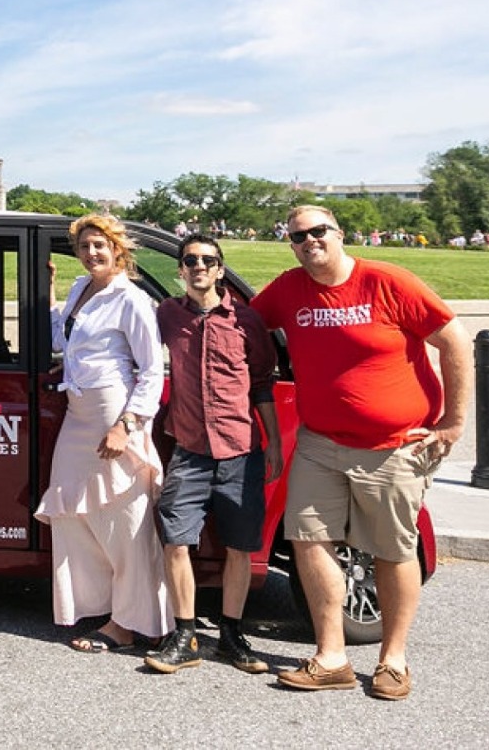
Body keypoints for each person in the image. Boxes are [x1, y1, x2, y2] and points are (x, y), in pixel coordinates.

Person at [251, 206, 472, 699]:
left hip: (392, 448)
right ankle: (332, 658)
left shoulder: (387, 282)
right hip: (319, 443)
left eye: (318, 231)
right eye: (298, 236)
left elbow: (454, 341)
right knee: (309, 540)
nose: (309, 241)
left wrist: (453, 423)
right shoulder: (288, 289)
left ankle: (393, 659)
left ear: (339, 234)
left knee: (392, 550)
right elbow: (241, 323)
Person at [145, 234, 283, 675]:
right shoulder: (167, 315)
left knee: (240, 547)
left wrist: (275, 443)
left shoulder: (246, 320)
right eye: (191, 260)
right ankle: (184, 634)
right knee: (175, 539)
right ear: (181, 270)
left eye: (208, 260)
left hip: (240, 450)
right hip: (189, 450)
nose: (199, 266)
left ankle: (231, 633)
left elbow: (262, 383)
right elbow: (128, 346)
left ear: (220, 270)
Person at [35, 213, 170, 653]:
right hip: (78, 413)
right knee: (73, 515)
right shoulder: (79, 289)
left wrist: (126, 427)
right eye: (85, 246)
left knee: (124, 520)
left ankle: (130, 623)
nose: (91, 253)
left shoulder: (131, 299)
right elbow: (63, 337)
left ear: (117, 249)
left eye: (100, 245)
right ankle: (107, 605)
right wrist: (50, 289)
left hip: (113, 414)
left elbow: (151, 371)